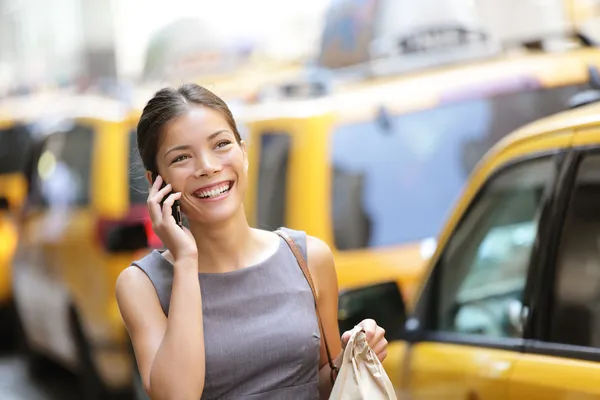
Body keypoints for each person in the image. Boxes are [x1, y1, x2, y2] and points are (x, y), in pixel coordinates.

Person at [115, 83, 389, 400]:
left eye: (220, 144)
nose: (207, 166)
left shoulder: (308, 258)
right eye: (182, 158)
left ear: (243, 152)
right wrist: (186, 260)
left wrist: (354, 355)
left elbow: (322, 385)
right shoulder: (141, 285)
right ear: (156, 183)